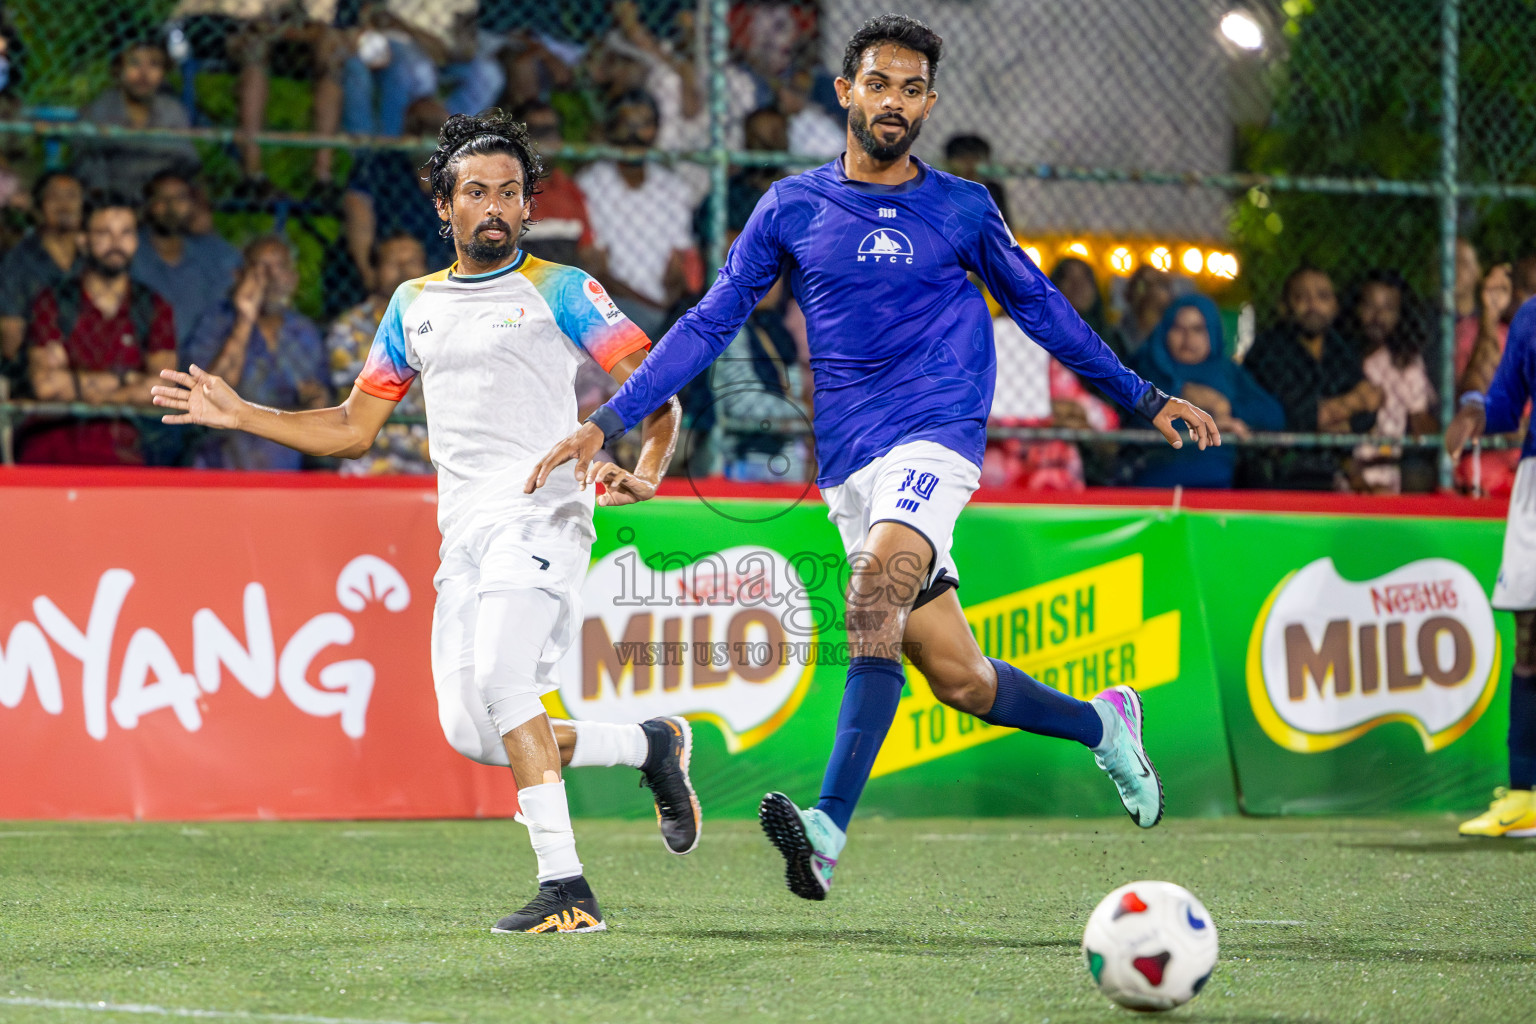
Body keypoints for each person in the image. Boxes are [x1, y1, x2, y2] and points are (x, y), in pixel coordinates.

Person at [530, 15, 1217, 903]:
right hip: (851, 463)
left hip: (937, 435)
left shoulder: (964, 208)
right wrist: (611, 418)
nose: (894, 101)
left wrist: (1144, 396)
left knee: (872, 599)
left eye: (912, 88)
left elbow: (1043, 309)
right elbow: (710, 321)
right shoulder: (791, 206)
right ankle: (1104, 726)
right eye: (879, 83)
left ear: (929, 102)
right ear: (847, 92)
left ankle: (824, 829)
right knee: (959, 678)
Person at [153, 111, 693, 934]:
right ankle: (651, 746)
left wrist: (647, 473)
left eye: (510, 193)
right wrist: (241, 415)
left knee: (505, 686)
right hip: (466, 534)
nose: (495, 208)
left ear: (526, 204)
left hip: (544, 516)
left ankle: (568, 890)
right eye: (476, 192)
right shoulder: (414, 303)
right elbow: (353, 428)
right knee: (476, 731)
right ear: (444, 206)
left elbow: (657, 391)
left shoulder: (562, 289)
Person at [1446, 297, 1536, 837]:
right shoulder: (1529, 316)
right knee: (1530, 633)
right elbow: (1506, 401)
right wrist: (1475, 411)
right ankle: (1525, 794)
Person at [19, 193, 176, 465]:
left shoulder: (152, 307)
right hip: (52, 452)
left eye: (126, 233)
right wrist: (128, 380)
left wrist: (78, 383)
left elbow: (164, 388)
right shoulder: (54, 302)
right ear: (83, 240)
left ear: (136, 241)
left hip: (124, 456)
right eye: (104, 233)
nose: (116, 244)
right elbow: (46, 385)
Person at [182, 235, 330, 470]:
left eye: (280, 268)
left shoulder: (305, 333)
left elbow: (324, 409)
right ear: (239, 277)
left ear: (293, 279)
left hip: (285, 470)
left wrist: (317, 399)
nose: (270, 278)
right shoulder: (216, 322)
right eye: (260, 268)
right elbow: (208, 392)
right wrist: (245, 318)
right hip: (223, 467)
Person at [169, 0, 346, 185]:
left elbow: (319, 24)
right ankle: (253, 170)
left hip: (291, 38)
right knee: (255, 47)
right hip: (230, 33)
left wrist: (284, 30)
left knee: (331, 52)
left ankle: (323, 172)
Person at [574, 90, 699, 340]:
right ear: (610, 130)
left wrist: (668, 309)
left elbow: (676, 268)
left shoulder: (672, 186)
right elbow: (598, 272)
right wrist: (655, 311)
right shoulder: (591, 184)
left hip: (663, 307)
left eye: (644, 125)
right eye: (625, 124)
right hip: (614, 304)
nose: (634, 134)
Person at [1244, 265, 1382, 490]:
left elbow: (1367, 414)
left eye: (1323, 297)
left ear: (1335, 306)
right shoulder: (1267, 349)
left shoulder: (1341, 350)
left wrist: (1327, 419)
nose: (1313, 305)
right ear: (1285, 306)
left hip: (1330, 470)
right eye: (1301, 297)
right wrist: (1349, 405)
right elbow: (1293, 416)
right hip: (1276, 473)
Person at [1129, 294, 1283, 488]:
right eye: (1178, 328)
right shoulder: (1147, 368)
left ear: (1213, 331)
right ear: (1165, 330)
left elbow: (1273, 415)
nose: (1188, 338)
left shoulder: (1228, 372)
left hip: (1217, 486)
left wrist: (1226, 408)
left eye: (1198, 329)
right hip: (1153, 486)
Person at [328, 233, 432, 475]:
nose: (404, 269)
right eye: (392, 262)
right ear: (373, 272)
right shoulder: (351, 328)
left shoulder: (446, 323)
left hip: (433, 465)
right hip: (372, 462)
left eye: (413, 261)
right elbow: (362, 404)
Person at [343, 97, 458, 288]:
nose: (426, 135)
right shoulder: (381, 165)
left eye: (436, 127)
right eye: (418, 125)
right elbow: (357, 204)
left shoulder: (460, 176)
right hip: (386, 266)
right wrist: (366, 270)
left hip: (441, 270)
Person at [74, 38, 201, 199]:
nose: (144, 73)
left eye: (154, 65)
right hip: (115, 196)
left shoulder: (172, 111)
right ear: (118, 70)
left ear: (163, 74)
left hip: (163, 196)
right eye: (134, 63)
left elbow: (187, 160)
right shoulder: (100, 110)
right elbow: (87, 164)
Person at [1347, 270, 1437, 494]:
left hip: (1389, 471)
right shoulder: (1342, 356)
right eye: (1370, 306)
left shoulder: (1405, 362)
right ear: (1356, 308)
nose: (1377, 316)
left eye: (1388, 308)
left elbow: (1422, 425)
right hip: (1344, 469)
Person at [131, 170, 243, 347]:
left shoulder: (210, 254)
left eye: (180, 198)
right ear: (148, 205)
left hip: (202, 359)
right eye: (161, 199)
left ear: (192, 204)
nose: (171, 206)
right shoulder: (131, 252)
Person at [0, 172, 85, 391]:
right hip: (34, 374)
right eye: (54, 197)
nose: (64, 205)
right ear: (39, 207)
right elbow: (11, 340)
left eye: (71, 196)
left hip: (93, 369)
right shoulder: (18, 261)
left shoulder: (93, 258)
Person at [514, 101, 596, 269]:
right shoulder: (507, 191)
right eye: (537, 132)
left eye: (552, 131)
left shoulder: (571, 191)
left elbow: (588, 253)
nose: (547, 139)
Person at [943, 133, 1009, 228]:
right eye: (962, 157)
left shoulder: (992, 190)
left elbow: (1005, 229)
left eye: (976, 157)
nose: (969, 164)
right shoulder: (941, 189)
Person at [1109, 265, 1173, 360]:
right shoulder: (1118, 336)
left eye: (1158, 284)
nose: (1151, 290)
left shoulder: (1175, 330)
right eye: (1144, 284)